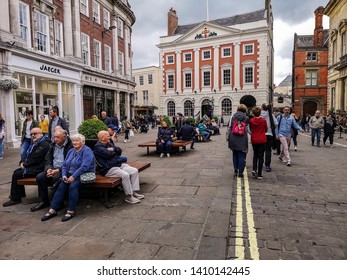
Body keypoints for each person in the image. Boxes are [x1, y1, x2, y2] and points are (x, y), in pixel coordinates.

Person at [41, 133, 95, 222]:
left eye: (77, 140)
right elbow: (65, 165)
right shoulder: (71, 151)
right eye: (73, 140)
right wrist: (64, 175)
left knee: (73, 186)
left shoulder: (87, 151)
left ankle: (71, 211)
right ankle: (52, 210)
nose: (75, 142)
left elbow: (84, 167)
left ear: (82, 142)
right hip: (70, 174)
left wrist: (73, 177)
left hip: (83, 175)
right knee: (61, 186)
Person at [3, 128, 50, 207]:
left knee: (17, 174)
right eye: (31, 134)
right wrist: (22, 162)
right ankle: (19, 194)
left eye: (35, 134)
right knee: (17, 172)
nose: (33, 136)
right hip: (34, 166)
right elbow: (27, 154)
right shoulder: (35, 143)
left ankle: (15, 198)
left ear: (40, 133)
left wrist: (24, 165)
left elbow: (36, 157)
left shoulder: (44, 144)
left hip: (39, 168)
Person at [94, 131, 143, 204]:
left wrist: (112, 149)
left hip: (117, 165)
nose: (109, 137)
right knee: (125, 175)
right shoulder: (98, 147)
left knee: (134, 170)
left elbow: (119, 151)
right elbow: (108, 155)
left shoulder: (109, 143)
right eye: (107, 136)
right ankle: (129, 196)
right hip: (108, 169)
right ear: (102, 138)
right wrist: (113, 150)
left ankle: (133, 191)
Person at [31, 129, 73, 212]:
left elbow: (71, 163)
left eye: (58, 137)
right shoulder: (52, 145)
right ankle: (44, 201)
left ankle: (58, 202)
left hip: (64, 170)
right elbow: (48, 160)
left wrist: (58, 170)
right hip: (53, 168)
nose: (55, 139)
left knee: (56, 178)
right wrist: (48, 169)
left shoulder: (70, 146)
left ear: (64, 137)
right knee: (40, 177)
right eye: (54, 137)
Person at [227, 104, 249, 178]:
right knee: (242, 156)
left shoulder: (232, 117)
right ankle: (240, 173)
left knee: (235, 154)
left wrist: (227, 137)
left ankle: (235, 169)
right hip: (242, 138)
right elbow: (248, 129)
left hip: (233, 138)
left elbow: (229, 128)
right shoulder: (246, 118)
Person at [249, 107, 268, 180]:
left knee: (255, 155)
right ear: (260, 113)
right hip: (262, 139)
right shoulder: (263, 121)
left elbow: (251, 129)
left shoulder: (251, 120)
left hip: (254, 139)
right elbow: (266, 129)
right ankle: (259, 174)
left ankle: (254, 169)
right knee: (261, 157)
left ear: (253, 113)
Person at [260, 104, 278, 172]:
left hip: (261, 134)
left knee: (261, 150)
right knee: (268, 150)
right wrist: (271, 128)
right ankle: (267, 165)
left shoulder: (259, 114)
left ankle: (260, 164)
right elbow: (276, 123)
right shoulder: (271, 115)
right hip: (269, 134)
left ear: (262, 108)